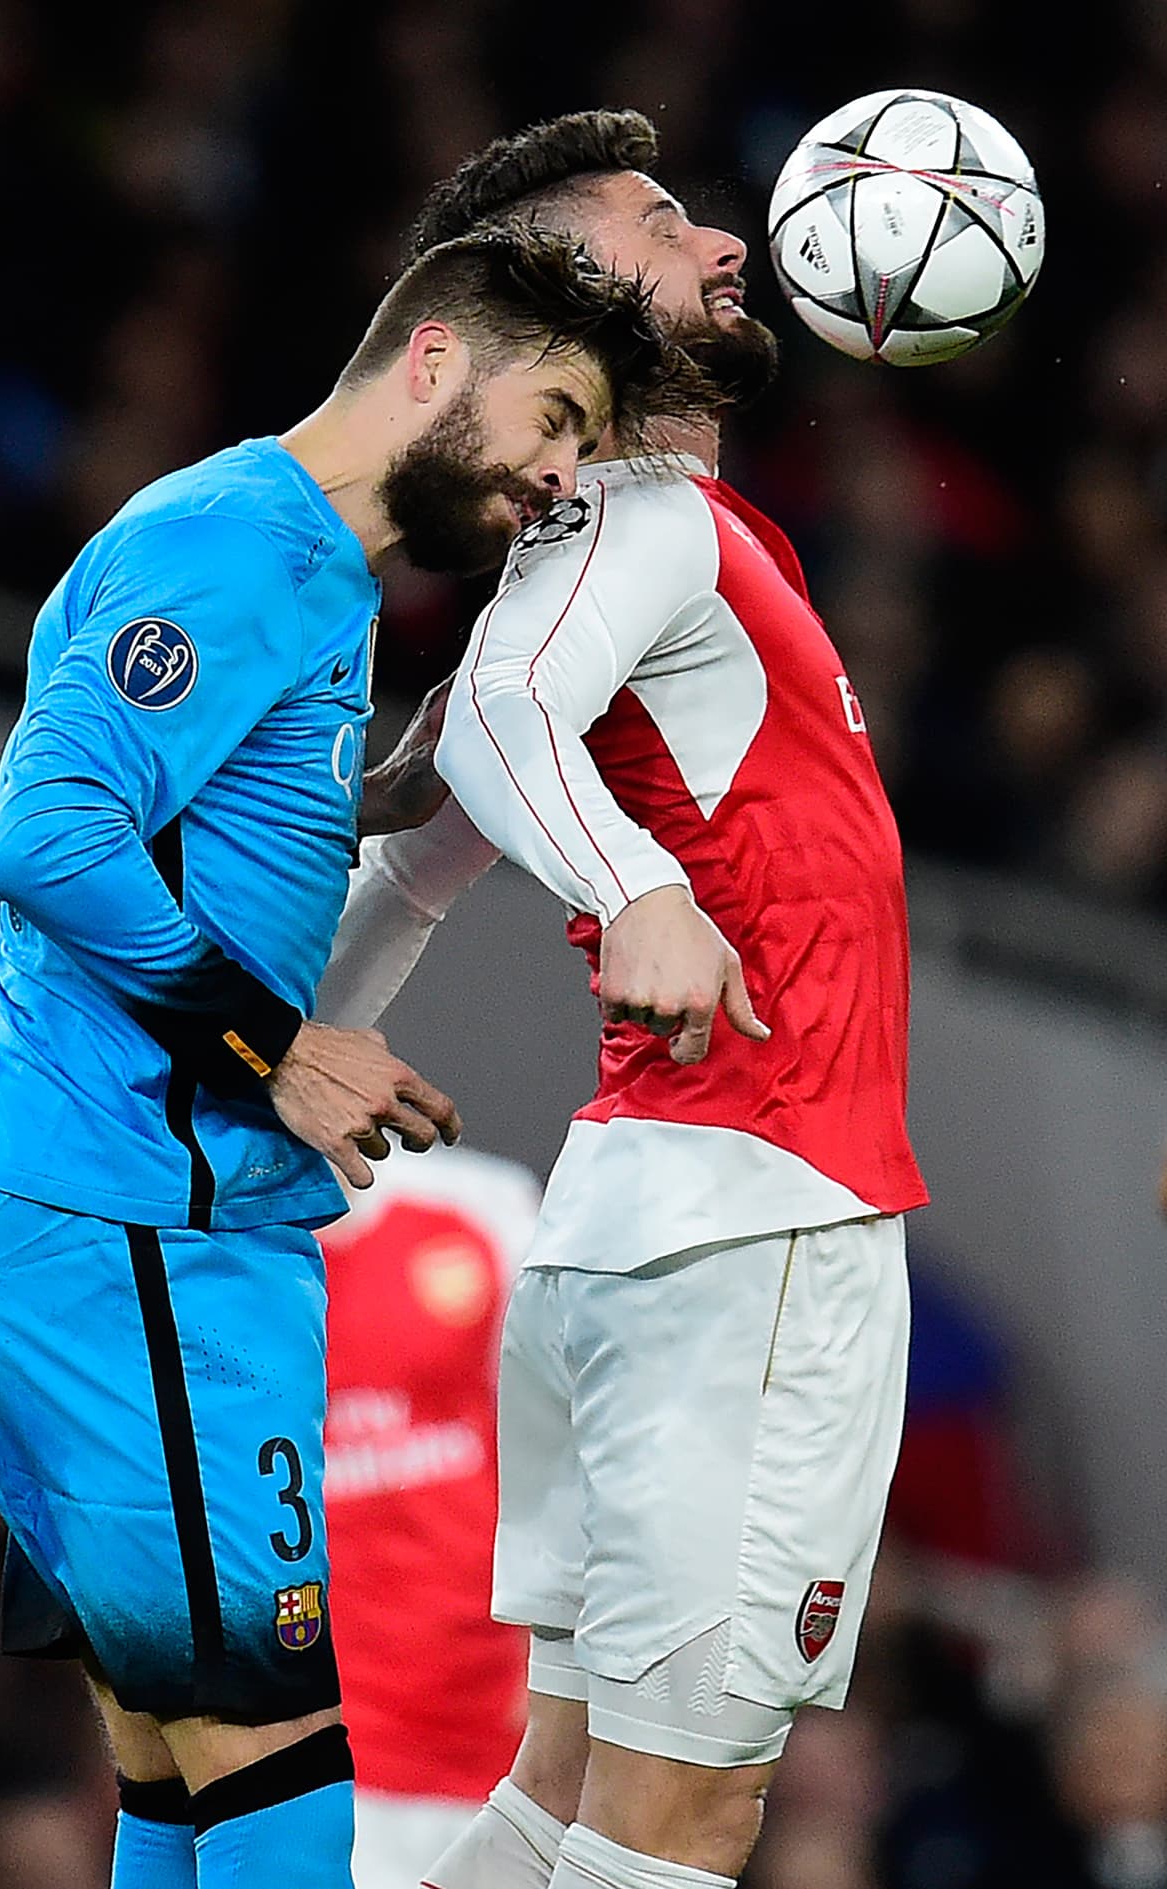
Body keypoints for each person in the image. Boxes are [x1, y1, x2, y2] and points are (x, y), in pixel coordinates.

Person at [0, 222, 704, 1889]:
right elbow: (45, 829)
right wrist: (279, 1045)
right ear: (433, 362)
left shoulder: (311, 577)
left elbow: (171, 819)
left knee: (180, 1776)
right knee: (284, 1781)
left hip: (110, 1218)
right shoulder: (238, 543)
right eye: (552, 417)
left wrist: (353, 801)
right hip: (128, 1224)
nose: (562, 479)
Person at [319, 111, 930, 1889]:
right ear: (568, 294)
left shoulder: (660, 541)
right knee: (679, 1818)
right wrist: (637, 888)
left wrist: (283, 1060)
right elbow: (502, 715)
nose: (730, 242)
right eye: (666, 225)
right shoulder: (642, 523)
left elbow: (415, 856)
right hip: (754, 1224)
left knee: (563, 1792)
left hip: (642, 1235)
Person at [318, 1142, 540, 1888]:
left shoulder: (482, 1207)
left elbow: (574, 1444)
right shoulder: (201, 1254)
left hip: (500, 1716)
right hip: (316, 1740)